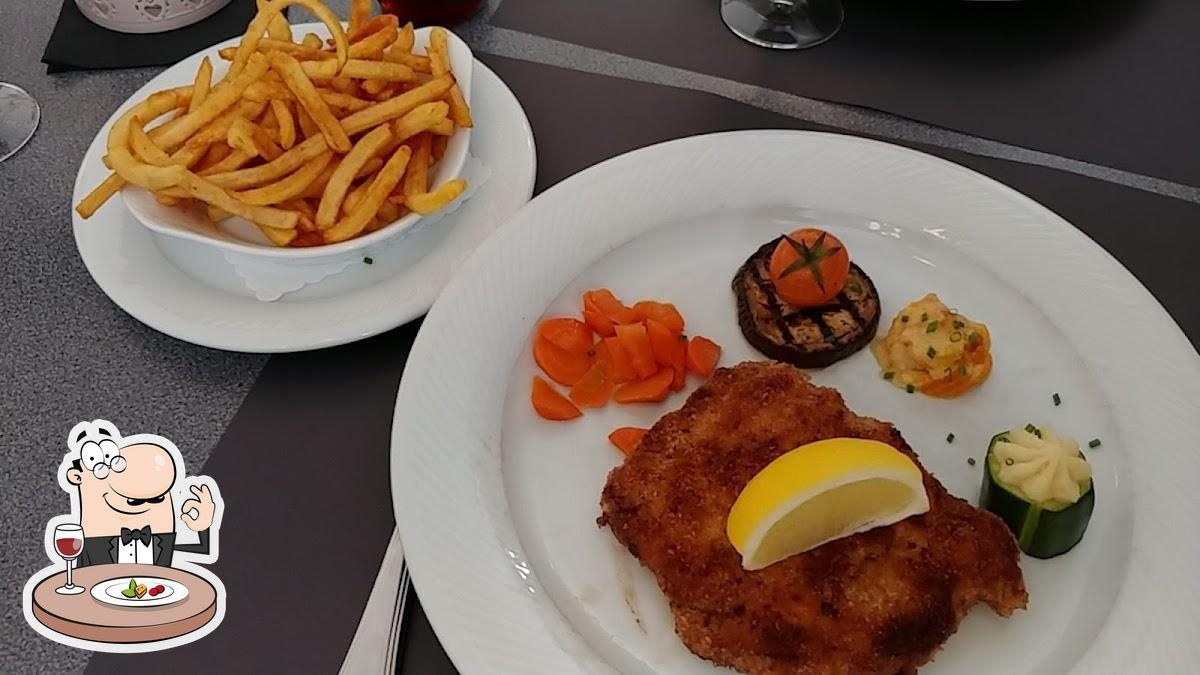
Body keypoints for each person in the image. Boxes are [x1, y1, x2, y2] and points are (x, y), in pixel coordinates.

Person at [62, 420, 218, 568]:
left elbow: (192, 551)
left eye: (157, 499)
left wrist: (202, 527)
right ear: (77, 476)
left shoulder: (160, 533)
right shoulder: (93, 539)